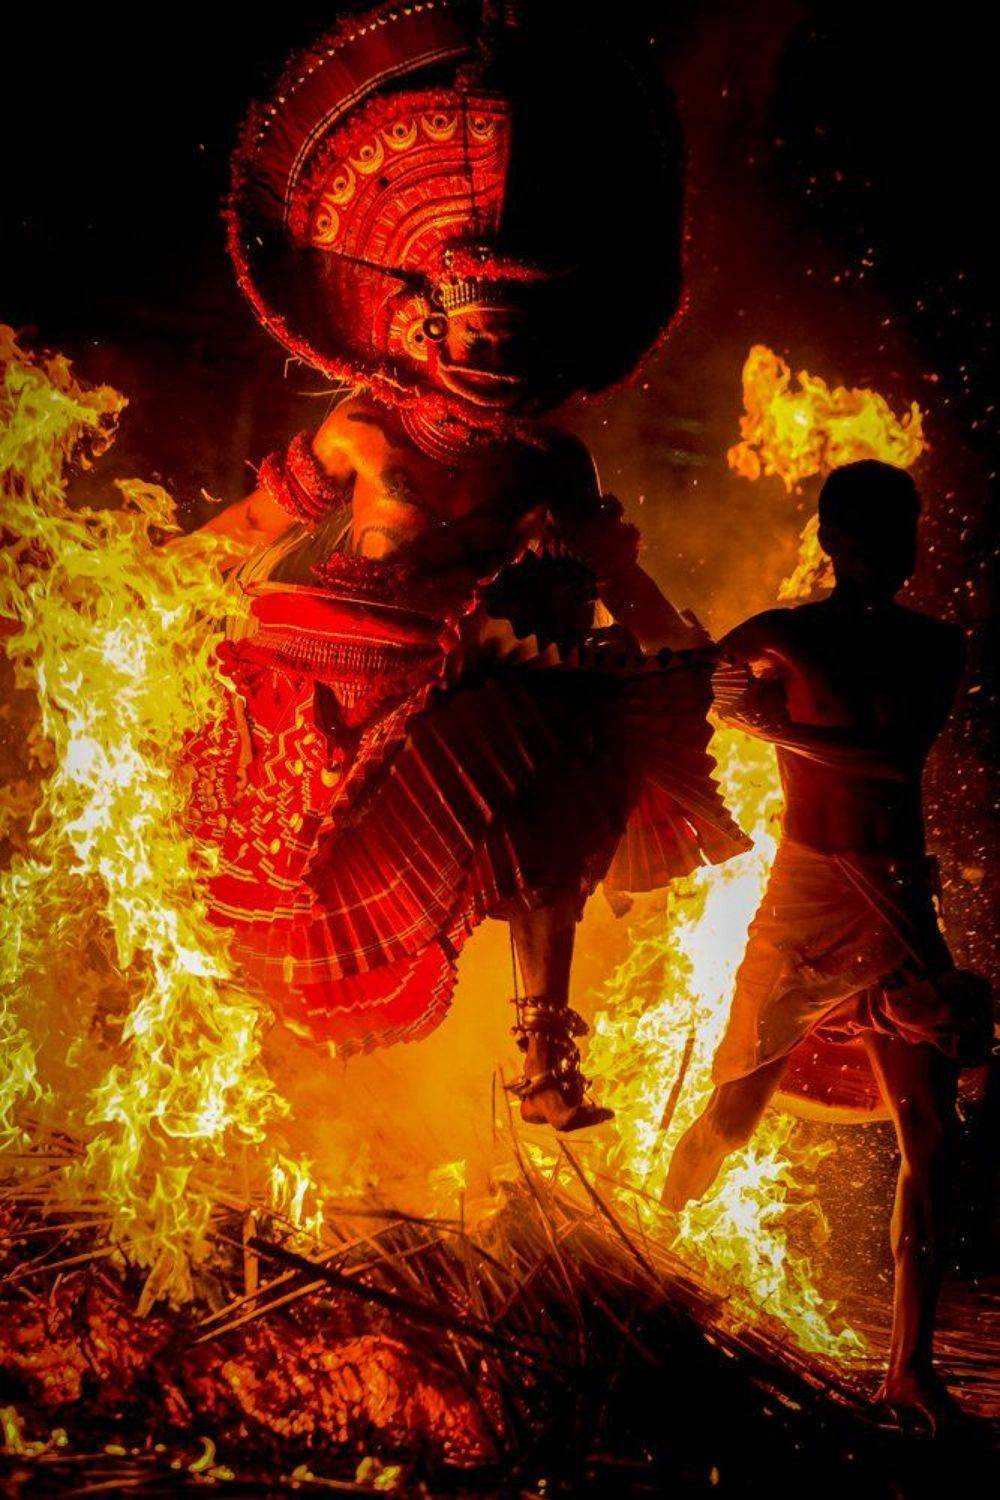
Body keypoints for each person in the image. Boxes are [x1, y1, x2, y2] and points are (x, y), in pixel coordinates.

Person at [182, 4, 750, 1134]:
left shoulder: (551, 463)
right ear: (426, 330)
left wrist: (653, 625)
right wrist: (126, 579)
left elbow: (613, 600)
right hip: (329, 689)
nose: (497, 359)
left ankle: (544, 1051)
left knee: (580, 762)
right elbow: (243, 530)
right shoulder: (364, 428)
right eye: (481, 337)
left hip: (462, 695)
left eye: (518, 340)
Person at [662, 459, 992, 1423]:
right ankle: (647, 1247)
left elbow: (893, 760)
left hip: (894, 897)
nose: (896, 552)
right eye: (875, 533)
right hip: (806, 896)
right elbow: (690, 688)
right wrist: (711, 692)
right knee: (732, 1114)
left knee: (933, 1137)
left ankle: (909, 1370)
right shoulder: (781, 636)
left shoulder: (937, 645)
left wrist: (773, 728)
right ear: (835, 541)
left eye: (907, 532)